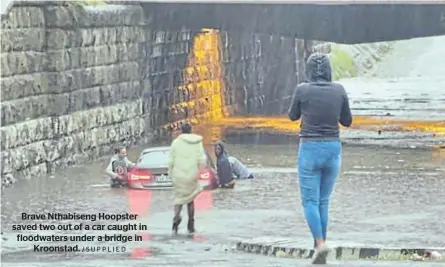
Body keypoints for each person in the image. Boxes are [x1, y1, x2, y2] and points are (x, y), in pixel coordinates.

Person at [288, 52, 353, 264]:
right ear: (328, 70)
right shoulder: (339, 90)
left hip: (309, 148)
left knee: (309, 201)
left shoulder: (302, 90)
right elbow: (347, 121)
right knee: (323, 201)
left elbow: (292, 116)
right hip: (333, 149)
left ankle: (320, 243)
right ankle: (320, 247)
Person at [168, 123, 207, 235]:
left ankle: (176, 219)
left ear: (181, 131)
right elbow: (202, 159)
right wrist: (199, 172)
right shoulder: (197, 143)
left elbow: (171, 161)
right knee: (190, 200)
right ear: (191, 130)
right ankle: (191, 225)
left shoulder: (176, 143)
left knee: (178, 199)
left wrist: (171, 173)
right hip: (191, 174)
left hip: (178, 175)